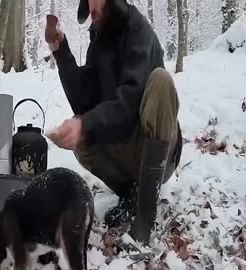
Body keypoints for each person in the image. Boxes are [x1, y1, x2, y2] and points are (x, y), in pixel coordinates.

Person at [46, 0, 183, 244]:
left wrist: (86, 123)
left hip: (154, 148)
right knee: (82, 134)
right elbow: (85, 100)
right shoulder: (99, 37)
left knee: (161, 81)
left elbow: (130, 98)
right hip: (124, 146)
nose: (92, 7)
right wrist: (62, 52)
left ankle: (145, 215)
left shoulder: (138, 31)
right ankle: (131, 193)